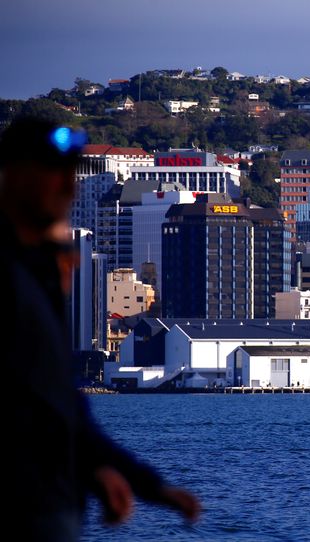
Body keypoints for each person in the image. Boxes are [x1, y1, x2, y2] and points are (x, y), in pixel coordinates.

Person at [0, 118, 201, 540]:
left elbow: (57, 406)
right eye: (54, 177)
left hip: (51, 504)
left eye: (69, 178)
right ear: (15, 177)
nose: (68, 190)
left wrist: (123, 477)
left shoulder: (40, 272)